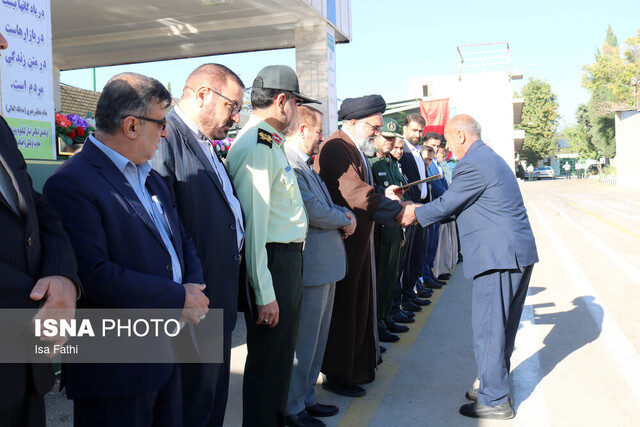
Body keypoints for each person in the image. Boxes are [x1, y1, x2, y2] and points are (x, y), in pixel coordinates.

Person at [43, 73, 209, 426]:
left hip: (166, 349)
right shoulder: (72, 183)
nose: (165, 133)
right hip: (118, 368)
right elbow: (94, 274)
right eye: (161, 123)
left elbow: (182, 240)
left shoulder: (150, 176)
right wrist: (178, 298)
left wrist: (192, 287)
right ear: (132, 125)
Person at [398, 114, 538, 420]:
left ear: (461, 135)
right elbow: (457, 205)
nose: (447, 147)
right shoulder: (487, 157)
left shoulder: (472, 163)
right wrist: (421, 210)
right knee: (501, 327)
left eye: (448, 140)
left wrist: (412, 214)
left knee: (489, 329)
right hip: (512, 254)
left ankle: (494, 399)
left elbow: (449, 204)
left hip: (497, 256)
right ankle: (493, 384)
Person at [150, 63, 247, 427]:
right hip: (193, 296)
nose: (236, 117)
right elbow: (163, 226)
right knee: (194, 400)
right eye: (232, 106)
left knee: (212, 394)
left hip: (216, 291)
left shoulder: (205, 143)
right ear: (204, 94)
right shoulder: (165, 137)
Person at [226, 65, 315, 427]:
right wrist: (264, 292)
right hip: (272, 264)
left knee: (280, 357)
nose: (296, 110)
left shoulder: (269, 142)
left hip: (284, 261)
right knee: (269, 361)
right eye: (295, 102)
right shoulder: (258, 145)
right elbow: (256, 228)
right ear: (282, 101)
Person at [0, 29, 81, 427]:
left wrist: (62, 277)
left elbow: (39, 210)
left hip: (24, 371)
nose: (4, 44)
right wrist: (39, 304)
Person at [314, 94, 404, 397]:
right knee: (345, 310)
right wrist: (400, 212)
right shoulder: (337, 147)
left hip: (360, 244)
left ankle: (358, 365)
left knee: (361, 305)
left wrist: (384, 192)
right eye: (374, 128)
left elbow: (366, 188)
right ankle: (339, 373)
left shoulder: (354, 147)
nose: (377, 134)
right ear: (353, 122)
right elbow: (354, 194)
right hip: (344, 245)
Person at [283, 105, 356, 427]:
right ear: (301, 130)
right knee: (304, 342)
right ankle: (293, 406)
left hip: (324, 266)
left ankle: (307, 398)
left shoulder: (305, 166)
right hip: (311, 267)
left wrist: (344, 214)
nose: (321, 138)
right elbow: (311, 210)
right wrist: (345, 218)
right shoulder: (290, 164)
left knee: (316, 341)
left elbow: (323, 205)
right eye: (317, 132)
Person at [368, 118, 409, 344]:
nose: (389, 142)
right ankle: (378, 322)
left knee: (391, 277)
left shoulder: (392, 162)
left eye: (392, 138)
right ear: (376, 136)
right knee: (381, 279)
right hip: (380, 228)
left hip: (394, 226)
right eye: (386, 137)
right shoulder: (371, 162)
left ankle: (386, 316)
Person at [397, 114, 433, 314]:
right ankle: (402, 300)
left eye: (420, 131)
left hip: (422, 210)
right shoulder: (402, 151)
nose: (418, 135)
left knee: (416, 255)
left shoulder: (419, 152)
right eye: (414, 130)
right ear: (405, 129)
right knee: (406, 259)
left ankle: (410, 294)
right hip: (410, 211)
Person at [422, 133, 450, 285]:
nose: (435, 148)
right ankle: (425, 276)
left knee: (432, 245)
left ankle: (429, 274)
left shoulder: (435, 163)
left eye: (437, 146)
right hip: (431, 207)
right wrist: (448, 197)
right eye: (432, 145)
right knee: (426, 247)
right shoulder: (427, 161)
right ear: (425, 143)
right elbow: (433, 184)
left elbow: (442, 182)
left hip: (438, 208)